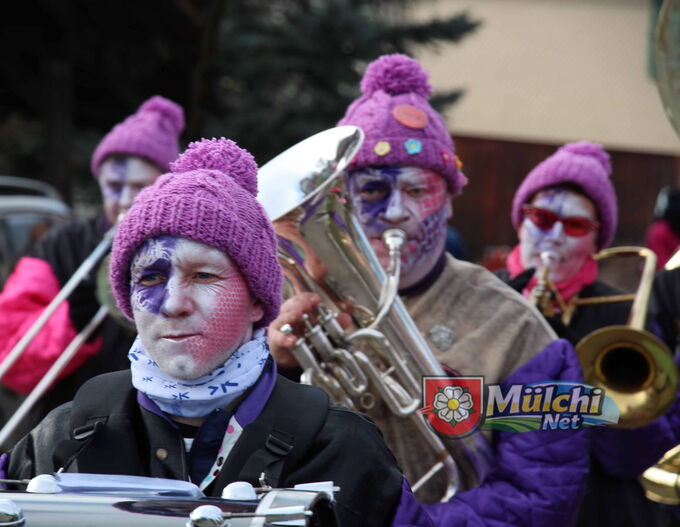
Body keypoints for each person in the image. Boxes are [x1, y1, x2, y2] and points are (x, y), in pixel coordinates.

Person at [0, 138, 435, 527]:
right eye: (148, 279)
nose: (171, 303)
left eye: (203, 276)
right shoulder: (60, 438)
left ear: (258, 301)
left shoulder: (342, 450)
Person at [268, 54, 590, 526]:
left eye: (418, 191)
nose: (396, 211)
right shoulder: (288, 305)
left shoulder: (521, 332)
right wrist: (279, 369)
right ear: (342, 199)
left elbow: (540, 497)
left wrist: (404, 519)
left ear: (450, 202)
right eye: (374, 190)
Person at [499, 142, 680, 527]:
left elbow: (637, 456)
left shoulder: (624, 317)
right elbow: (453, 411)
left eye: (576, 225)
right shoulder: (482, 295)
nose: (555, 236)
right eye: (542, 218)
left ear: (596, 241)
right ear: (520, 221)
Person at [0, 95, 184, 417]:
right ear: (99, 181)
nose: (125, 200)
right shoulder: (62, 245)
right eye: (114, 185)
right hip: (68, 427)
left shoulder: (188, 246)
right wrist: (73, 315)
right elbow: (3, 350)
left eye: (141, 186)